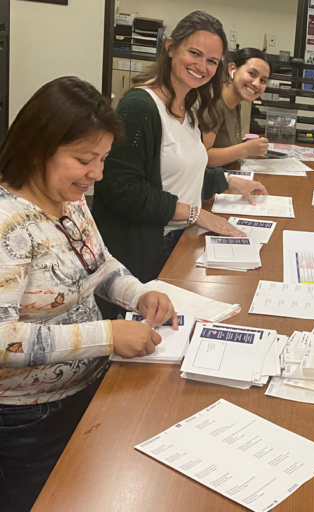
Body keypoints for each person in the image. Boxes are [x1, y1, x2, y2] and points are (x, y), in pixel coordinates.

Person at [0, 76, 178, 512]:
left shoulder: (69, 197)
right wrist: (107, 336)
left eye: (102, 159)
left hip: (90, 388)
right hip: (29, 418)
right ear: (38, 149)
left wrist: (138, 294)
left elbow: (98, 262)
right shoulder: (8, 225)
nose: (96, 174)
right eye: (84, 159)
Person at [92, 11, 268, 286]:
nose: (202, 66)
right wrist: (195, 213)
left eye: (211, 61)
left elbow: (182, 169)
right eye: (194, 53)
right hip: (147, 250)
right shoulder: (139, 107)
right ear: (170, 47)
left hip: (183, 237)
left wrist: (228, 180)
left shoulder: (191, 106)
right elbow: (122, 190)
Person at [203, 47, 271, 167]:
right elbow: (203, 157)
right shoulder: (215, 103)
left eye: (263, 81)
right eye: (252, 74)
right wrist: (245, 148)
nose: (256, 84)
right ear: (232, 69)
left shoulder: (236, 105)